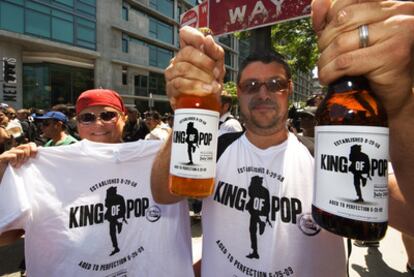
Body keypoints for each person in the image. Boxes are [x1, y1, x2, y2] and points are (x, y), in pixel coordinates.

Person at [151, 0, 414, 274]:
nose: (263, 93)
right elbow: (161, 193)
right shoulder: (216, 149)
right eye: (251, 85)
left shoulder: (324, 154)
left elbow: (410, 216)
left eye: (275, 84)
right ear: (238, 93)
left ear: (289, 90)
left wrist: (400, 107)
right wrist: (185, 109)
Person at [0, 89, 194, 276]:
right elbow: (6, 236)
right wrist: (3, 172)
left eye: (108, 115)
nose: (98, 123)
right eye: (87, 117)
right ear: (77, 123)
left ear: (124, 118)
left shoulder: (159, 157)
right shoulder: (42, 165)